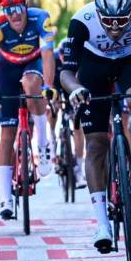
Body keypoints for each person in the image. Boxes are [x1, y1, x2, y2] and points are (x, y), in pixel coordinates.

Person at [60, 0, 131, 252]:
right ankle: (102, 225)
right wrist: (75, 90)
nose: (114, 28)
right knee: (96, 144)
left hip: (130, 62)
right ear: (97, 13)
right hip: (93, 66)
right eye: (107, 21)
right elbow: (66, 73)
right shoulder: (81, 21)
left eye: (121, 20)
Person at [0, 0, 56, 221]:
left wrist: (49, 88)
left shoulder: (41, 18)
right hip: (7, 70)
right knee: (6, 134)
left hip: (33, 64)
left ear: (26, 5)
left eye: (18, 7)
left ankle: (44, 143)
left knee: (32, 84)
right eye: (9, 9)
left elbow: (47, 55)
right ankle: (5, 197)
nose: (14, 14)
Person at [49, 38, 85, 189]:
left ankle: (78, 166)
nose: (64, 59)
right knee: (53, 108)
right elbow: (50, 81)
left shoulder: (79, 58)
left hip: (72, 86)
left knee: (79, 126)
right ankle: (51, 139)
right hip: (57, 84)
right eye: (63, 57)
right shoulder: (54, 59)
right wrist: (53, 100)